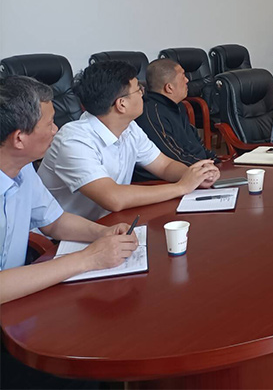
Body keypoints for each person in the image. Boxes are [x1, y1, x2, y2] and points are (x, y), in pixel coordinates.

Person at [1, 76, 140, 390]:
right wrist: (88, 259)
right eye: (50, 124)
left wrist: (103, 233)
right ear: (19, 138)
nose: (56, 130)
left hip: (18, 305)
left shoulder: (22, 168)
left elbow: (54, 221)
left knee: (104, 339)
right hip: (8, 322)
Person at [38, 61, 220, 221]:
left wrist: (195, 175)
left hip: (110, 223)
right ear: (121, 104)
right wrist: (181, 187)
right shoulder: (74, 141)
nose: (143, 94)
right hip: (61, 239)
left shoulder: (130, 128)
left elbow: (164, 166)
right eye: (138, 89)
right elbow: (113, 198)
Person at [134, 59, 216, 180]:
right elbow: (174, 157)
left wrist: (213, 160)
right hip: (168, 180)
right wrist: (206, 167)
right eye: (183, 76)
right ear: (169, 87)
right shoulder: (152, 114)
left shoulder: (178, 106)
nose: (187, 80)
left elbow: (195, 143)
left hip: (198, 171)